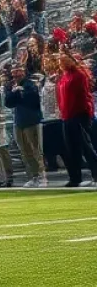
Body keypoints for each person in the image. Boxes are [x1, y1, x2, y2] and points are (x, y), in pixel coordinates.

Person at [56, 52, 97, 187]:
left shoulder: (79, 75)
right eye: (61, 62)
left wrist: (87, 114)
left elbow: (84, 96)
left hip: (79, 115)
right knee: (70, 149)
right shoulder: (63, 77)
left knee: (86, 147)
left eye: (65, 61)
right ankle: (75, 177)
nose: (62, 64)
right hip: (66, 116)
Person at [3, 64, 45, 188]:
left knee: (35, 150)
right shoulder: (11, 86)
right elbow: (8, 103)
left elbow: (32, 99)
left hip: (31, 120)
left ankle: (41, 177)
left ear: (23, 72)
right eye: (14, 72)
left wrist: (21, 91)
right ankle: (33, 176)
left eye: (18, 72)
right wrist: (15, 91)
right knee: (24, 152)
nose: (16, 75)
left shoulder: (30, 84)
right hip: (19, 121)